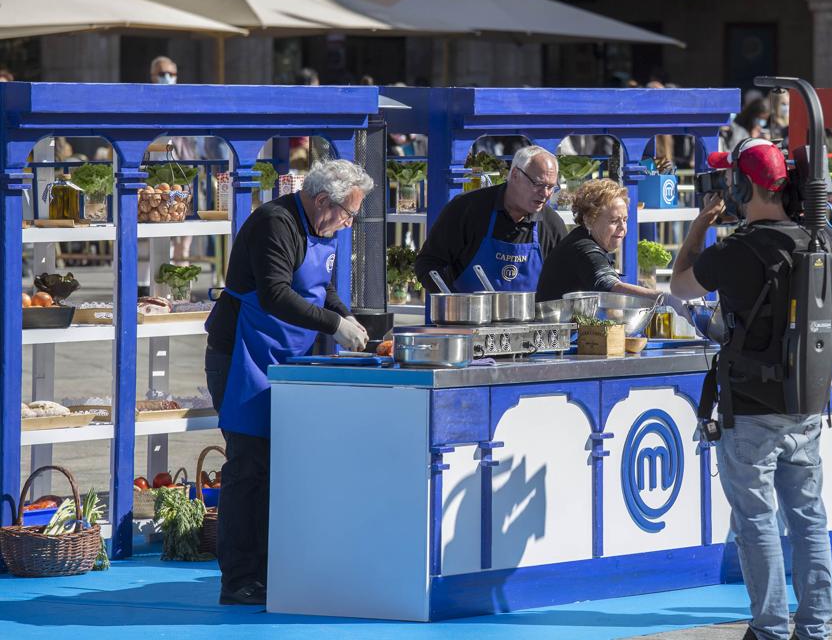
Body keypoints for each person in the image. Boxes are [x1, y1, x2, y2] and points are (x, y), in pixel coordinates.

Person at [669, 140, 832, 640]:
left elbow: (680, 287)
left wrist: (698, 230)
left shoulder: (736, 249)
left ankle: (770, 627)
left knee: (757, 520)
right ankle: (814, 628)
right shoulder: (824, 241)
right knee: (809, 518)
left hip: (750, 406)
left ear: (743, 186)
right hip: (807, 404)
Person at [204, 159, 373, 606]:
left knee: (288, 466)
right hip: (244, 356)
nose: (349, 222)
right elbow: (276, 293)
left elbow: (322, 289)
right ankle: (239, 579)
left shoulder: (322, 228)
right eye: (348, 213)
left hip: (291, 358)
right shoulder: (273, 224)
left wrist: (345, 315)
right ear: (322, 201)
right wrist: (335, 327)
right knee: (249, 466)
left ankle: (274, 568)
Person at [414, 145, 566, 293]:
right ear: (515, 175)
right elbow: (427, 263)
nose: (545, 193)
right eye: (538, 184)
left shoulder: (552, 225)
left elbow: (564, 279)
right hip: (468, 317)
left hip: (532, 318)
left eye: (551, 187)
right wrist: (454, 301)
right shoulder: (467, 209)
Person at [536, 178, 663, 303]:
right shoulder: (583, 247)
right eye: (614, 221)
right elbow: (607, 284)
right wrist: (663, 298)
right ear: (589, 220)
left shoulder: (587, 240)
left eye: (624, 220)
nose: (622, 227)